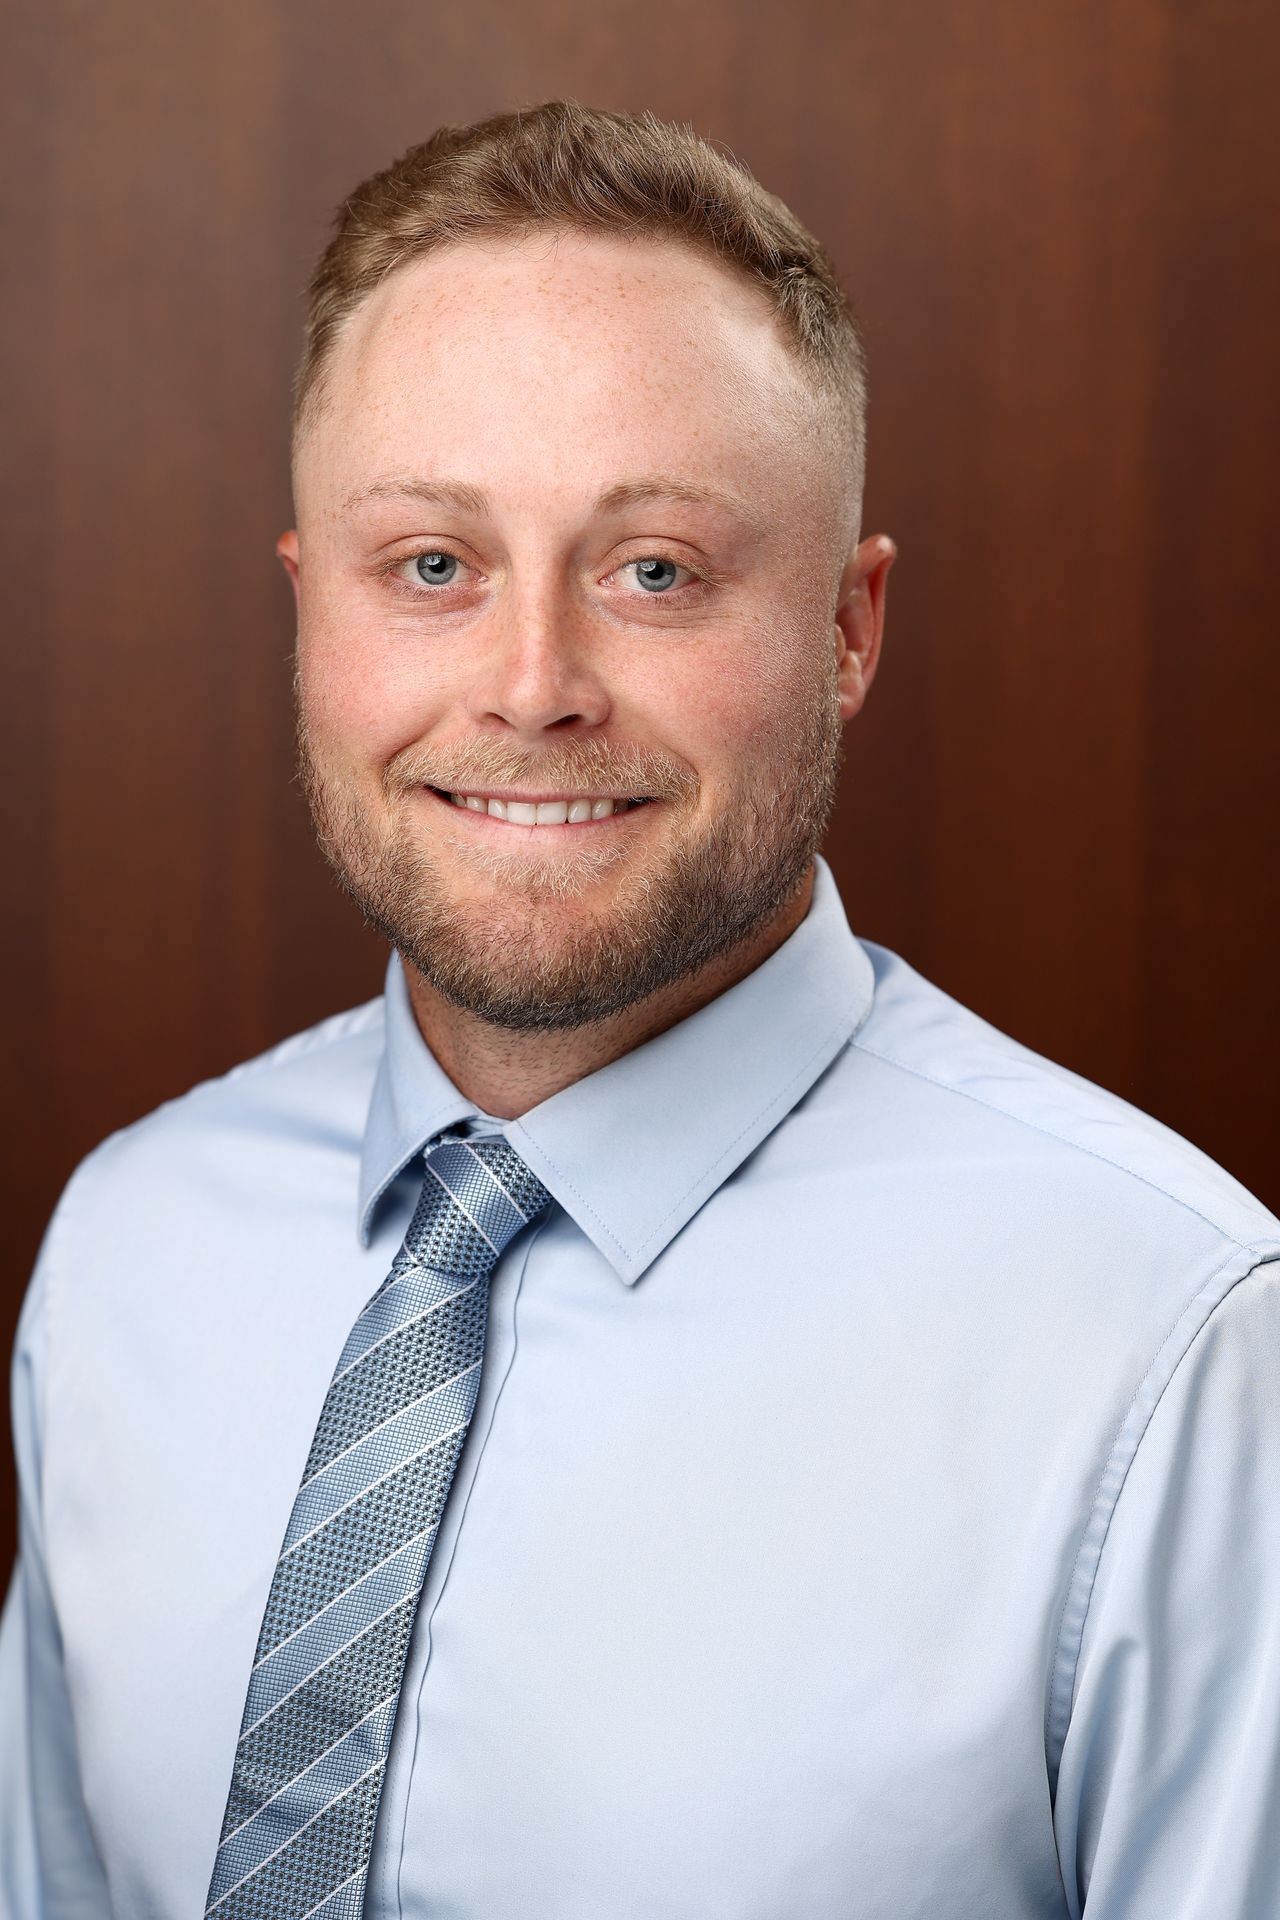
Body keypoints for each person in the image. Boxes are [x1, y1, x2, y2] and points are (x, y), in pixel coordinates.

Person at [1, 98, 1277, 1920]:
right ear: (311, 607)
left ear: (850, 630)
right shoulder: (133, 1246)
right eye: (431, 565)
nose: (531, 689)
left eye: (655, 570)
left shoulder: (1177, 1352)